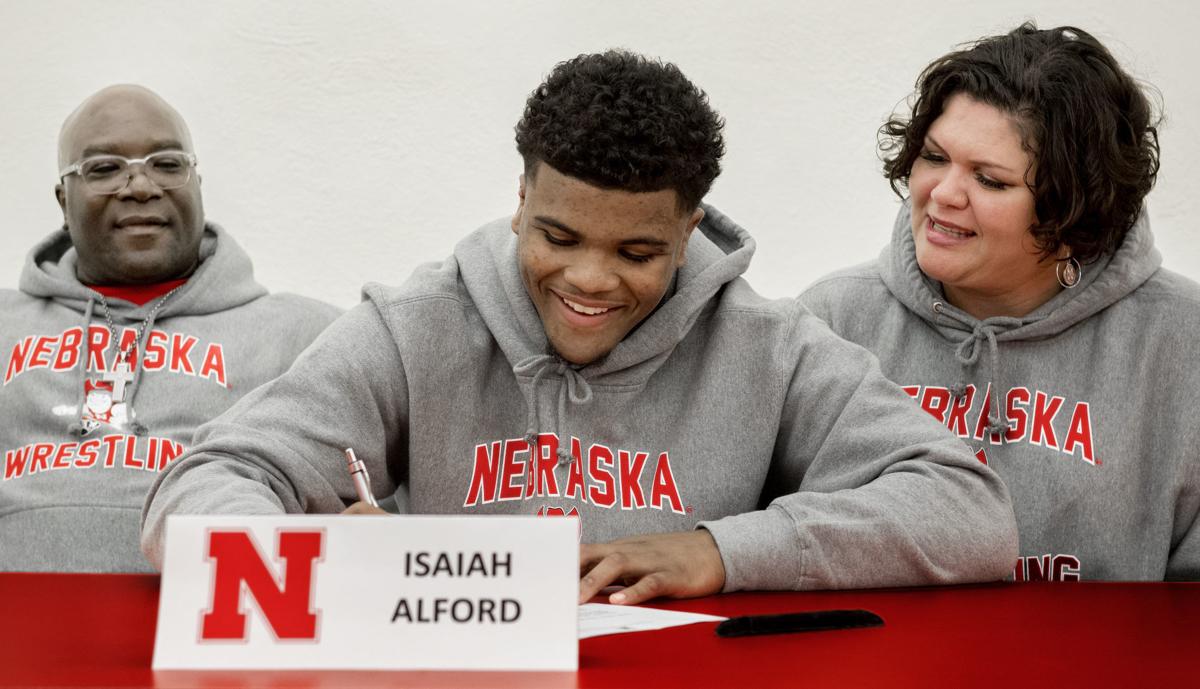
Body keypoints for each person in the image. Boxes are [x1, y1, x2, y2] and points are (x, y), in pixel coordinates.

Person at [142, 51, 1017, 603]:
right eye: (558, 237)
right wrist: (307, 549)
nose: (590, 279)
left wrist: (720, 550)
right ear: (520, 201)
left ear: (689, 227)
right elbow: (209, 478)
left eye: (638, 250)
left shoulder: (768, 346)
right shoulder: (417, 326)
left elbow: (969, 512)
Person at [801, 24, 1200, 581]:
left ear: (1071, 213)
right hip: (884, 665)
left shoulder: (1183, 340)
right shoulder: (832, 321)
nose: (943, 194)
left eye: (989, 180)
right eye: (935, 157)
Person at [0, 85, 341, 573]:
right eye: (104, 168)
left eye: (166, 163)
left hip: (218, 626)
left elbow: (373, 504)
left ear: (196, 181)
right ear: (63, 199)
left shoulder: (305, 334)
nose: (140, 186)